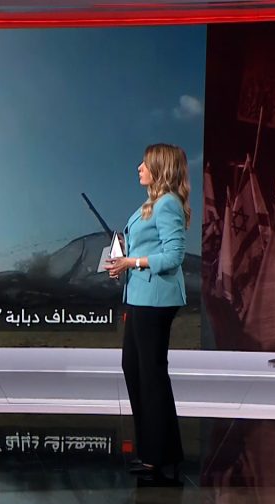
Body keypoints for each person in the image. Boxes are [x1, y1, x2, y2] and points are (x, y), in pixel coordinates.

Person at [105, 143, 190, 479]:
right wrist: (123, 261)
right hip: (141, 296)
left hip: (156, 300)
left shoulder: (167, 204)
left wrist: (133, 262)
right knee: (135, 368)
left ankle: (158, 455)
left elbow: (173, 256)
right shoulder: (151, 204)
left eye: (144, 163)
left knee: (150, 374)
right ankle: (157, 450)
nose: (139, 168)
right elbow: (146, 247)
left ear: (160, 168)